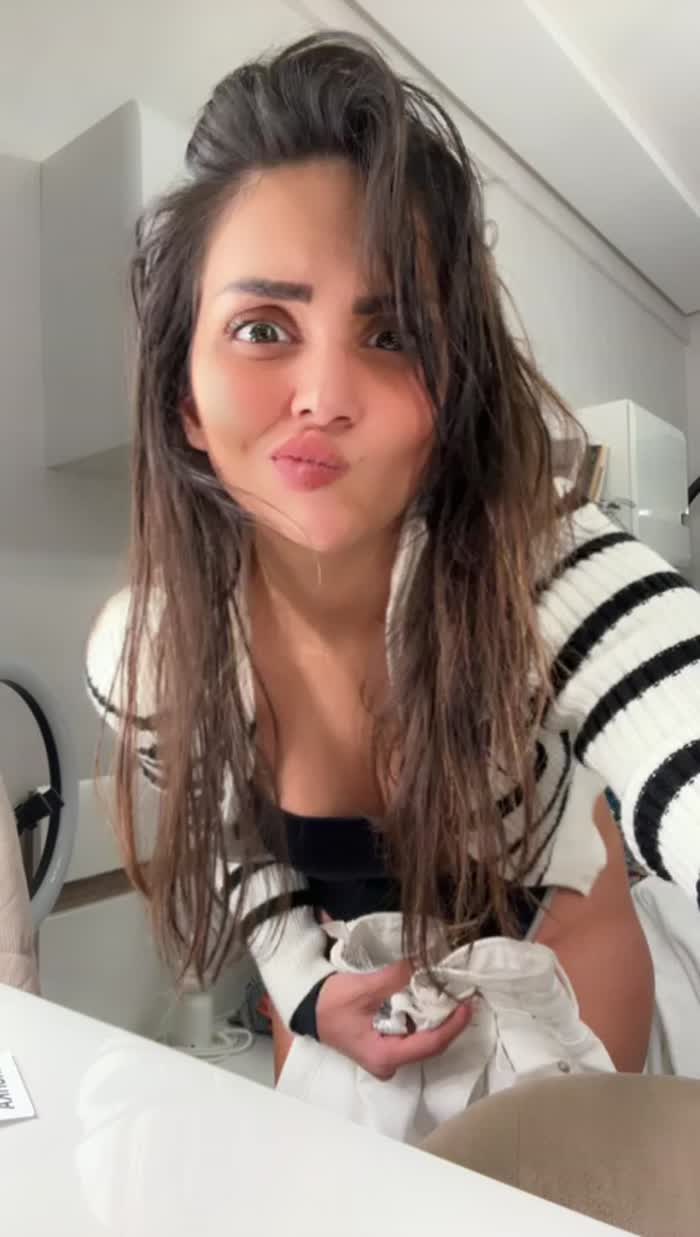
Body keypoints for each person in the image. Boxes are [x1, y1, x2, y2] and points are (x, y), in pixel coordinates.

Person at [86, 33, 700, 1098]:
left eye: (392, 336)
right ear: (184, 396)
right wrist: (305, 984)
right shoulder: (144, 658)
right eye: (263, 327)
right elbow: (232, 843)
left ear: (449, 396)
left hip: (563, 980)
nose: (324, 396)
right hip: (352, 1008)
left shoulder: (537, 567)